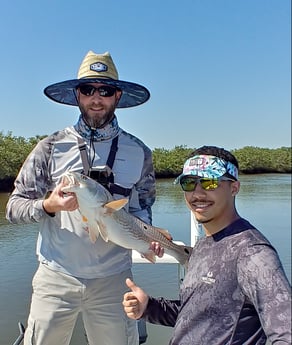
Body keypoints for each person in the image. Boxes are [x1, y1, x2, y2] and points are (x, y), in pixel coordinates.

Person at [6, 50, 163, 345]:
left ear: (117, 96)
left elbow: (142, 211)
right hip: (55, 277)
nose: (96, 98)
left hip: (114, 279)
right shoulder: (50, 147)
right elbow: (14, 208)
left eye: (104, 90)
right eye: (88, 89)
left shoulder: (139, 152)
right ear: (77, 95)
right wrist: (48, 206)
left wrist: (149, 240)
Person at [123, 145, 292, 345]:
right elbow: (196, 315)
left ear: (234, 187)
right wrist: (149, 308)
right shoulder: (203, 246)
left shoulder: (253, 253)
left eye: (210, 183)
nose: (198, 193)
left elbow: (285, 333)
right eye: (189, 183)